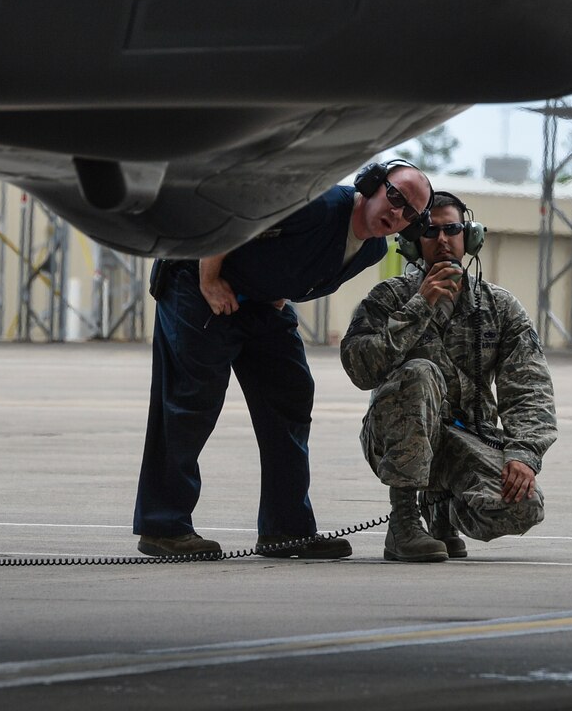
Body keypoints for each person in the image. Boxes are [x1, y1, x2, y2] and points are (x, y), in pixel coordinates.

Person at [133, 159, 435, 558]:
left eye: (409, 213)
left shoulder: (372, 249)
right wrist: (209, 280)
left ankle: (285, 529)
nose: (396, 214)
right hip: (198, 277)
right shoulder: (319, 205)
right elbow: (234, 218)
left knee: (290, 395)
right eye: (394, 197)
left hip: (260, 301)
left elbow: (301, 267)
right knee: (190, 401)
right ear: (372, 185)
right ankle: (163, 526)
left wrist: (277, 288)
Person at [340, 190, 557, 562]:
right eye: (429, 231)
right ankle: (404, 521)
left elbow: (530, 388)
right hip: (395, 438)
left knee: (524, 506)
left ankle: (441, 509)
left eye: (452, 229)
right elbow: (360, 369)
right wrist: (419, 305)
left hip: (466, 438)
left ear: (469, 236)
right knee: (419, 373)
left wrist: (523, 453)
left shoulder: (499, 306)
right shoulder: (388, 299)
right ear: (413, 242)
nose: (441, 240)